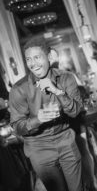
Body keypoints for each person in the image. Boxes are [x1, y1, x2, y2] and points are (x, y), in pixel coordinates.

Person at [9, 38, 83, 191]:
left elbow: (75, 111)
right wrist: (38, 119)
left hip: (66, 140)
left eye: (37, 57)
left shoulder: (66, 78)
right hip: (38, 148)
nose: (33, 63)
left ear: (49, 57)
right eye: (29, 59)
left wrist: (58, 92)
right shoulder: (19, 89)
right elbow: (17, 127)